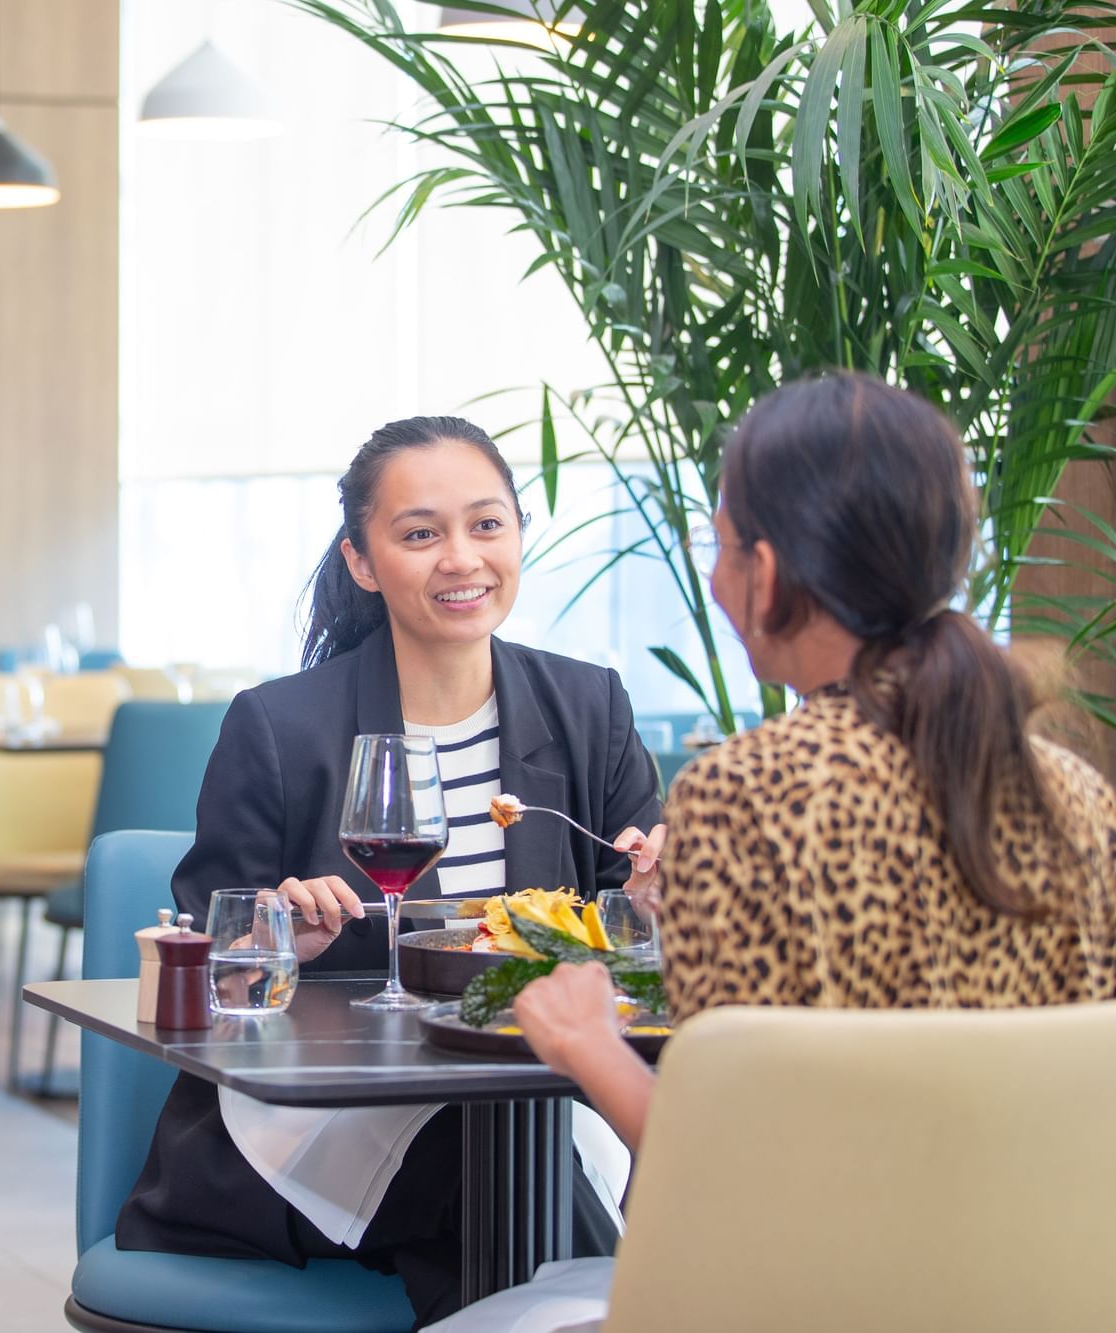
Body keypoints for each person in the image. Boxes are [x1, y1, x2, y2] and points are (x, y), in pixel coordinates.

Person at [115, 415, 667, 1326]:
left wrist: (655, 895)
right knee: (501, 1173)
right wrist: (278, 932)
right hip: (324, 1117)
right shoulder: (279, 727)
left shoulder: (587, 707)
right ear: (363, 561)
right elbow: (200, 963)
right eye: (421, 534)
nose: (462, 558)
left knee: (510, 1169)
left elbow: (642, 939)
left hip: (538, 1098)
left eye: (487, 525)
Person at [512, 372, 1116, 1155]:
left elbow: (722, 1162)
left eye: (719, 545)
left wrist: (583, 1042)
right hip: (1045, 1273)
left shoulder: (743, 794)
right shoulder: (1072, 791)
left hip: (824, 1279)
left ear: (763, 574)